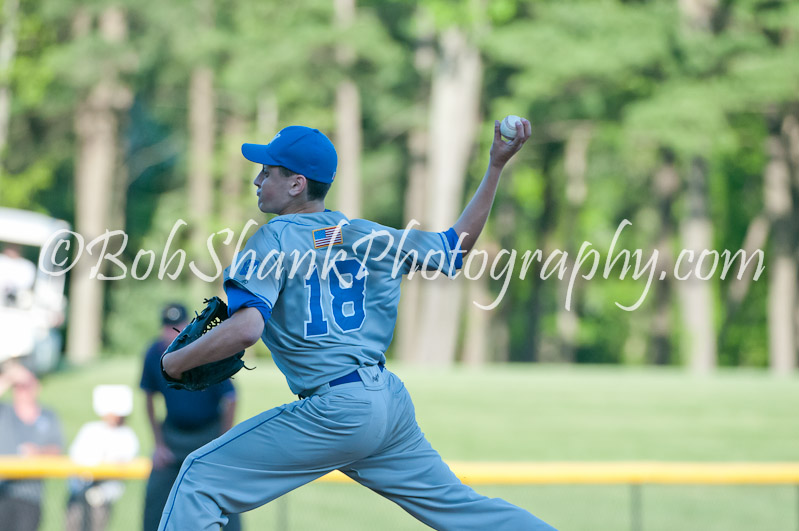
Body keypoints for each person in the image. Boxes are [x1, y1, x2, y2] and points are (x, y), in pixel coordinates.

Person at [160, 121, 557, 530]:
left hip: (336, 411)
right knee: (464, 510)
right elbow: (453, 249)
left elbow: (247, 329)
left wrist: (175, 363)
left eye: (268, 171)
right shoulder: (365, 234)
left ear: (297, 184)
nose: (257, 179)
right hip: (387, 403)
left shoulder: (272, 239)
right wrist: (495, 167)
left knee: (199, 478)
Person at [140, 303, 240, 531]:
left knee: (224, 491)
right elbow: (147, 396)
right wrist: (158, 444)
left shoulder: (206, 351)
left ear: (187, 326)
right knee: (155, 494)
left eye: (176, 326)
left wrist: (221, 443)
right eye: (167, 326)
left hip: (208, 434)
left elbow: (231, 398)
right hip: (173, 435)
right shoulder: (155, 353)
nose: (171, 332)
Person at [65, 385, 139, 531]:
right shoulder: (90, 430)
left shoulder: (127, 436)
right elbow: (76, 457)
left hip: (102, 496)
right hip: (79, 490)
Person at [0, 361, 64, 531]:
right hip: (2, 491)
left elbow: (57, 450)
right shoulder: (4, 412)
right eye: (19, 386)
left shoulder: (48, 416)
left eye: (27, 385)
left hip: (30, 495)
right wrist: (8, 378)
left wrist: (38, 453)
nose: (23, 390)